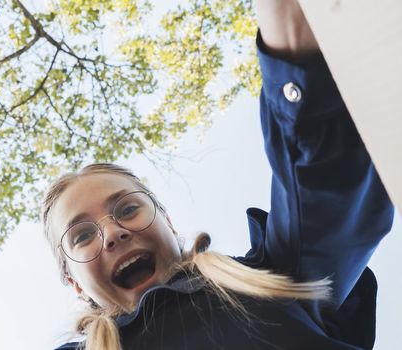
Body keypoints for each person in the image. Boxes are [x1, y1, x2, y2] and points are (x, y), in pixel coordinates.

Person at [41, 1, 394, 349]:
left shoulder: (272, 278)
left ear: (168, 222)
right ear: (74, 283)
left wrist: (289, 39)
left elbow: (326, 181)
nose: (113, 233)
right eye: (83, 235)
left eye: (128, 209)